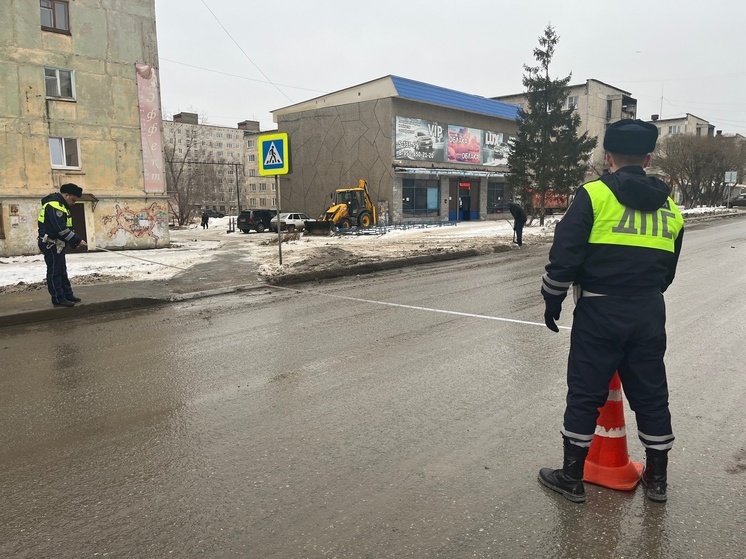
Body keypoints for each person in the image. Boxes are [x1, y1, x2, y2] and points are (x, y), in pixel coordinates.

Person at [538, 119, 684, 504]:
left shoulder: (593, 195)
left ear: (608, 157)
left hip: (599, 309)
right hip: (649, 310)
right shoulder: (670, 208)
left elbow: (564, 256)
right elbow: (668, 270)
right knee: (652, 393)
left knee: (586, 393)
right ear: (649, 157)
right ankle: (657, 480)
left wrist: (552, 299)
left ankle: (571, 477)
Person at [38, 183, 88, 307]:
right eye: (73, 200)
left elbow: (67, 229)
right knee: (55, 271)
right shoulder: (54, 205)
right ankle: (58, 298)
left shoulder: (61, 206)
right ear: (66, 195)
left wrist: (73, 243)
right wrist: (77, 241)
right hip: (50, 244)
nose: (74, 203)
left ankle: (67, 294)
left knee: (62, 270)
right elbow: (61, 229)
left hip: (57, 244)